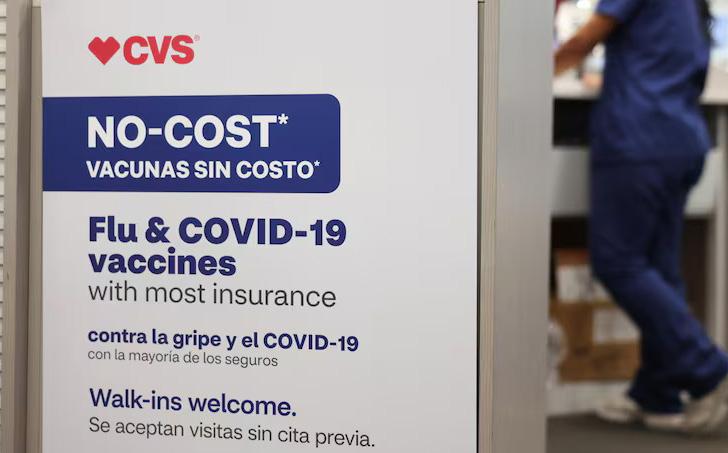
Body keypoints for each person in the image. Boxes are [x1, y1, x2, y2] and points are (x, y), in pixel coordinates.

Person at [554, 0, 728, 433]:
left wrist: (525, 76)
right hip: (682, 136)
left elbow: (583, 40)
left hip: (638, 136)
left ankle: (710, 369)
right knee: (659, 270)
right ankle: (657, 391)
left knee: (618, 262)